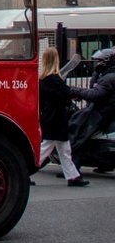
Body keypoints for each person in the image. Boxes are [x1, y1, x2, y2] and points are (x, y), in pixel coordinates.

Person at [39, 47, 87, 186]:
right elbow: (65, 93)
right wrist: (79, 94)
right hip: (57, 118)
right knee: (48, 148)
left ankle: (73, 176)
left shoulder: (43, 80)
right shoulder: (54, 79)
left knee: (63, 149)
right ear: (56, 60)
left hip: (49, 117)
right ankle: (25, 170)